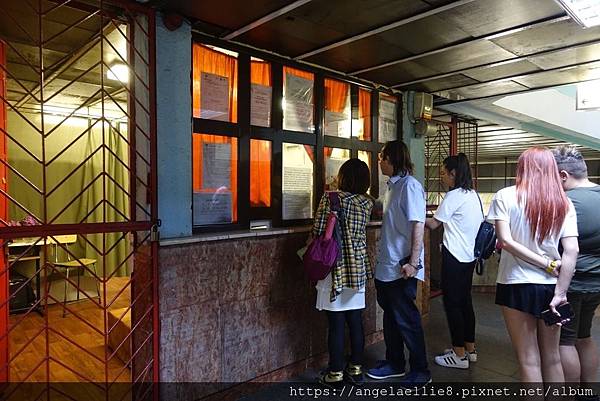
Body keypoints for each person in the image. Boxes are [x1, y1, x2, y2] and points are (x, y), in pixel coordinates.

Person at [487, 146, 578, 384]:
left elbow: (505, 241)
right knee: (552, 357)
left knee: (528, 359)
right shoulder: (563, 202)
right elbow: (572, 250)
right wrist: (561, 292)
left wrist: (545, 264)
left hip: (516, 283)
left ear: (522, 167)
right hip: (551, 288)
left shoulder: (505, 195)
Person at [366, 140, 431, 387]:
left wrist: (413, 263)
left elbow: (418, 224)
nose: (379, 161)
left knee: (407, 319)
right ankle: (394, 363)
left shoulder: (410, 186)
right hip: (387, 266)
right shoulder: (392, 186)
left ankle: (421, 369)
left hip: (402, 268)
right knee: (391, 318)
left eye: (382, 157)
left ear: (393, 159)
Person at [312, 158, 374, 388]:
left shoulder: (332, 199)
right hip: (357, 267)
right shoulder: (367, 203)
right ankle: (356, 369)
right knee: (355, 321)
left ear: (343, 176)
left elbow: (319, 230)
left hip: (335, 266)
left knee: (336, 323)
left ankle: (336, 372)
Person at [425, 153, 483, 369]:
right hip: (469, 258)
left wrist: (414, 216)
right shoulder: (472, 195)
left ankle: (458, 355)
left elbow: (433, 224)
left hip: (455, 257)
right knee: (465, 303)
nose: (442, 177)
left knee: (452, 304)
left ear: (454, 173)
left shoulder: (454, 196)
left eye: (443, 173)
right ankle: (470, 349)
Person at [552, 146, 600, 394]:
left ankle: (570, 395)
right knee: (585, 336)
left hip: (570, 283)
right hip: (597, 284)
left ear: (562, 175)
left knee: (565, 341)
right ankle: (589, 393)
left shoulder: (567, 203)